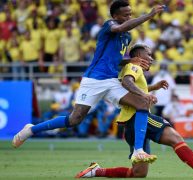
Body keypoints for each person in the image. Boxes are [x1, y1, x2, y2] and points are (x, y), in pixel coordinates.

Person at [12, 0, 164, 163]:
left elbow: (115, 61)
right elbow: (120, 27)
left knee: (142, 103)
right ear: (115, 16)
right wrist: (149, 15)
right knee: (74, 119)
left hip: (112, 81)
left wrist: (130, 61)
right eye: (125, 14)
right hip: (94, 80)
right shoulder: (109, 25)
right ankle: (31, 130)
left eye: (130, 14)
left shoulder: (126, 36)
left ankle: (138, 150)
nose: (128, 17)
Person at [75, 44, 193, 179]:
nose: (152, 59)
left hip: (131, 124)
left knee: (139, 173)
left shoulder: (130, 68)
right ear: (139, 56)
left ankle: (96, 171)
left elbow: (130, 86)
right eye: (149, 55)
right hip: (138, 117)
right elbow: (128, 82)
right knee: (175, 137)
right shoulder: (134, 67)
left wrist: (153, 87)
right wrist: (145, 94)